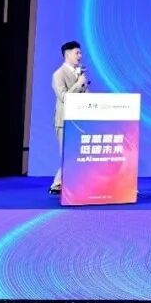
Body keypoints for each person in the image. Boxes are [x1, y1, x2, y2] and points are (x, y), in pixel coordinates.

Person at [50, 40, 89, 194]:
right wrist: (79, 83)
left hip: (78, 120)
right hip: (64, 121)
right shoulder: (58, 74)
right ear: (67, 54)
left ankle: (63, 184)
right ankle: (57, 184)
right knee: (67, 155)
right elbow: (64, 97)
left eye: (80, 52)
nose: (80, 56)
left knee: (76, 154)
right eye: (77, 53)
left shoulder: (79, 73)